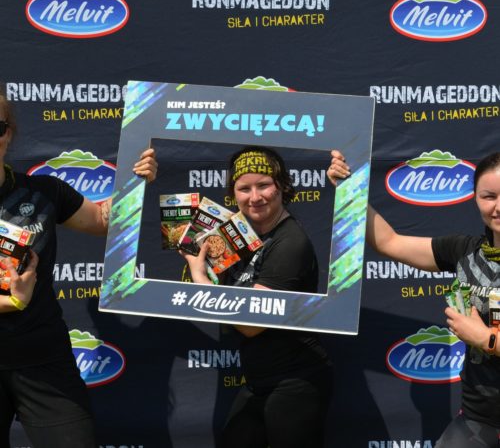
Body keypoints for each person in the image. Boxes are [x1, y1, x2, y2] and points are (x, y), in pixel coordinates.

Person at [0, 92, 157, 448]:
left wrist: (135, 181)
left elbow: (103, 220)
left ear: (8, 134)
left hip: (44, 360)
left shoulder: (43, 191)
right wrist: (12, 302)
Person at [328, 150, 500, 448]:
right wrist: (349, 190)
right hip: (479, 417)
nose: (498, 206)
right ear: (475, 198)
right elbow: (389, 242)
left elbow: (486, 339)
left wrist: (487, 339)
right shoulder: (464, 251)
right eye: (489, 196)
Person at [181, 146, 333, 448]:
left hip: (296, 380)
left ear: (282, 186)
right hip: (259, 379)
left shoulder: (290, 243)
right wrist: (200, 257)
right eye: (244, 188)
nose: (255, 197)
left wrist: (200, 277)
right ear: (233, 194)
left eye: (264, 185)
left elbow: (252, 324)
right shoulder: (240, 236)